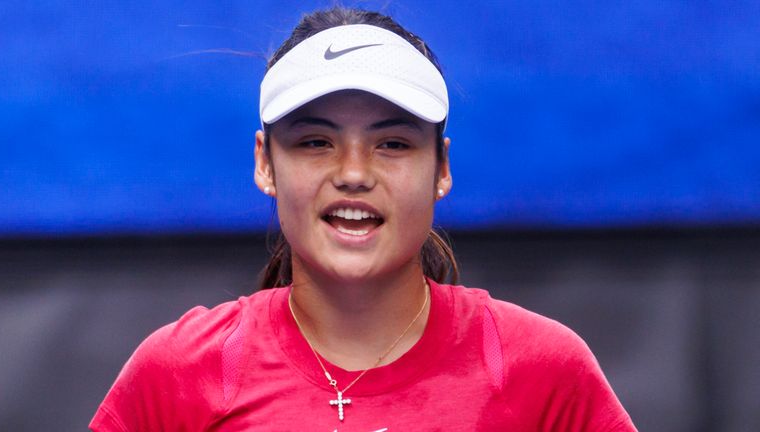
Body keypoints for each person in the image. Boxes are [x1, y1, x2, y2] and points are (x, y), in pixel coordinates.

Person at [90, 7, 637, 431]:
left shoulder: (541, 370)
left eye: (393, 143)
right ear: (265, 163)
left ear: (441, 167)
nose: (353, 172)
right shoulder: (179, 373)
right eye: (315, 141)